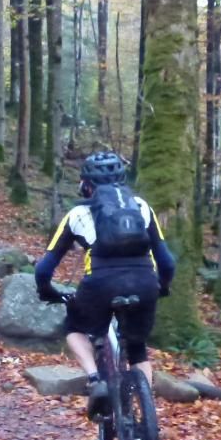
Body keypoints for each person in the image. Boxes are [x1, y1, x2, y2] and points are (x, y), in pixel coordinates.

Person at [35, 150, 175, 418]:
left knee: (74, 326)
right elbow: (166, 262)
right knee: (136, 345)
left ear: (86, 185)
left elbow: (44, 269)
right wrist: (162, 286)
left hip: (99, 285)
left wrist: (48, 291)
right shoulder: (142, 207)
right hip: (144, 282)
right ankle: (147, 413)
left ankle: (95, 379)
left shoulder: (77, 214)